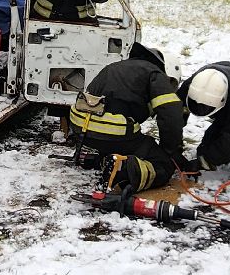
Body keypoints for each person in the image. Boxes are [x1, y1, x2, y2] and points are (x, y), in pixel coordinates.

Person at [67, 43, 189, 193]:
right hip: (111, 132)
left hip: (81, 129)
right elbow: (170, 116)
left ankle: (97, 157)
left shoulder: (115, 67)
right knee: (163, 164)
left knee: (123, 140)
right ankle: (122, 170)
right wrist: (171, 152)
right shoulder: (156, 74)